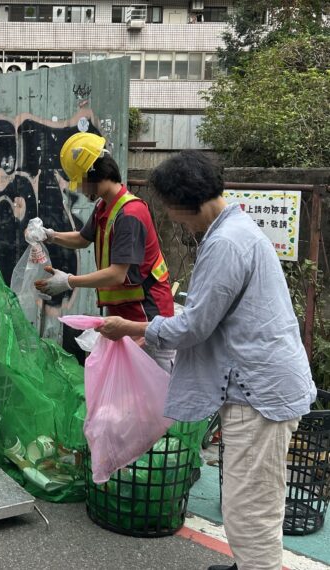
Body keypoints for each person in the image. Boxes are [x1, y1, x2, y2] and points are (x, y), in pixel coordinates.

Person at [96, 151, 316, 570]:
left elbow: (194, 327)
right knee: (251, 494)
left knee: (249, 506)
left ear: (185, 203)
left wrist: (133, 328)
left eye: (173, 213)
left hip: (260, 393)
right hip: (261, 383)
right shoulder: (236, 229)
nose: (175, 222)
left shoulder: (225, 243)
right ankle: (247, 564)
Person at [33, 132, 176, 370]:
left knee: (155, 396)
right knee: (127, 396)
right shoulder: (105, 206)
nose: (79, 189)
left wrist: (69, 281)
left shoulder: (129, 214)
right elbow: (82, 238)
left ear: (93, 174)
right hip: (124, 316)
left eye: (80, 181)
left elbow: (117, 274)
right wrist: (50, 236)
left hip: (147, 318)